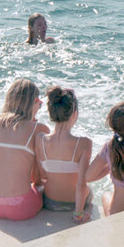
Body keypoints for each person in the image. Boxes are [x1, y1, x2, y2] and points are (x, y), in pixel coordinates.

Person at [0, 78, 48, 220]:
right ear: (32, 103)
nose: (39, 107)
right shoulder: (39, 129)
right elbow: (37, 178)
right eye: (39, 103)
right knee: (44, 189)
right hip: (20, 207)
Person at [37, 86, 94, 223]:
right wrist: (78, 214)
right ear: (74, 114)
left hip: (49, 201)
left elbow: (42, 176)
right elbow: (81, 184)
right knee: (89, 189)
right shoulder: (84, 143)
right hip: (73, 203)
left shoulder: (40, 139)